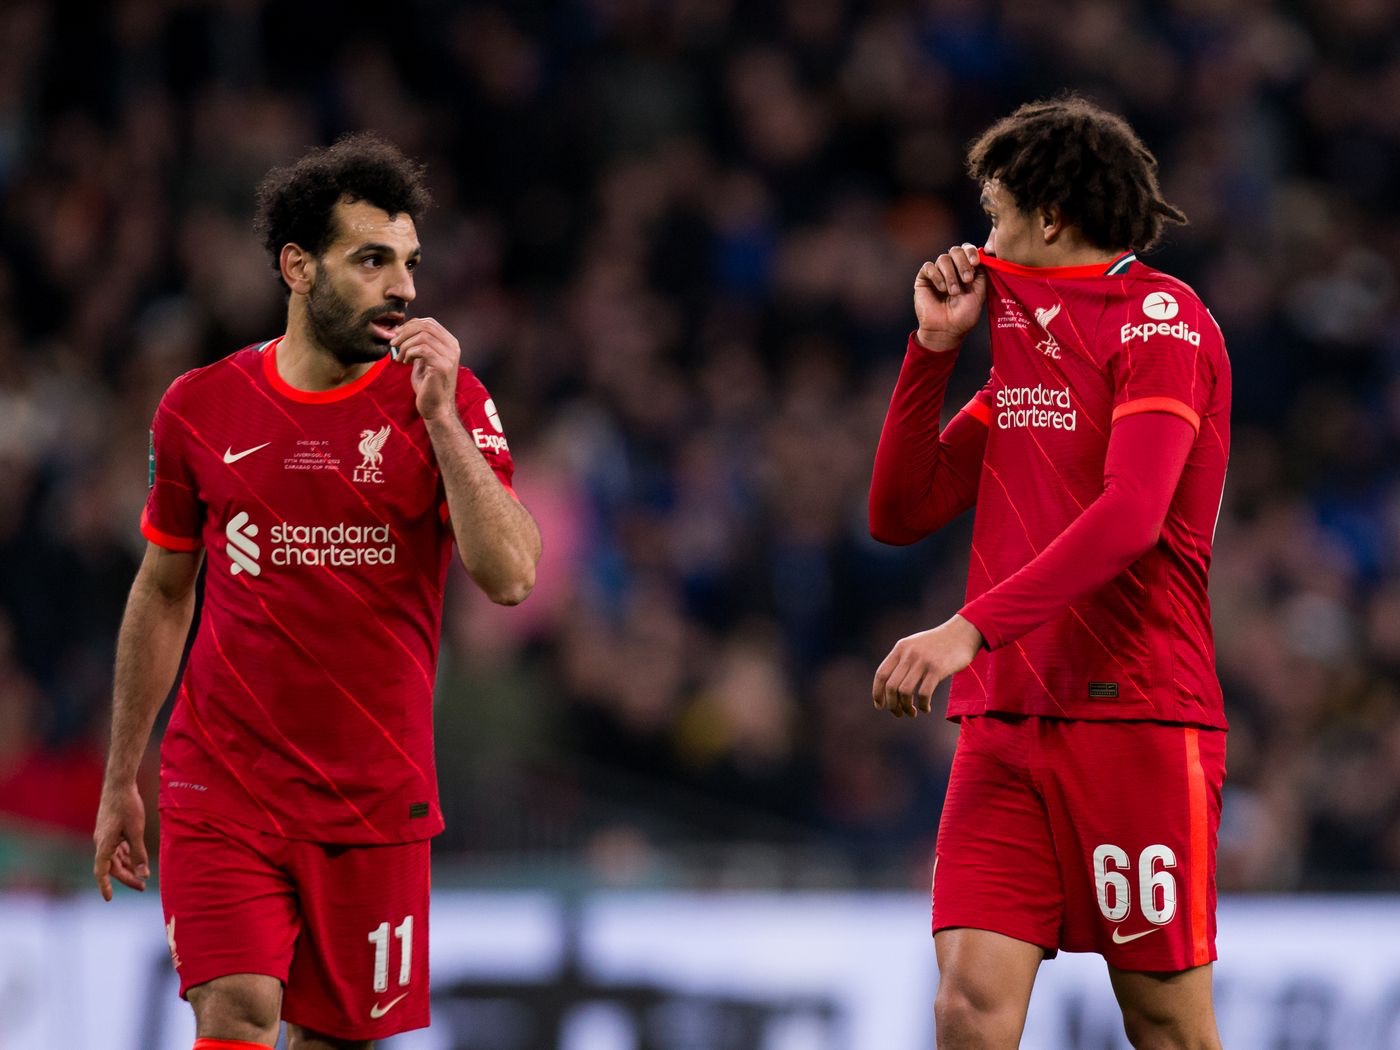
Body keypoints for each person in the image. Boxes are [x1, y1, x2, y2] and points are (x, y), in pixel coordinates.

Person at [92, 133, 542, 1050]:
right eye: (372, 260)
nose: (404, 287)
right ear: (298, 267)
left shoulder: (447, 404)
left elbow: (511, 576)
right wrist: (119, 778)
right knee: (239, 1009)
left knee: (334, 1038)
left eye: (410, 263)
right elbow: (165, 588)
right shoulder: (199, 408)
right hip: (222, 784)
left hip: (375, 798)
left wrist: (443, 422)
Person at [868, 97, 1230, 1049]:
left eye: (993, 211)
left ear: (1050, 216)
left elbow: (1132, 517)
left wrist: (968, 627)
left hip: (1138, 716)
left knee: (1165, 1022)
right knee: (966, 1008)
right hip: (1008, 720)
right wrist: (932, 350)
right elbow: (900, 513)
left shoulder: (1163, 320)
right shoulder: (1021, 360)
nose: (983, 235)